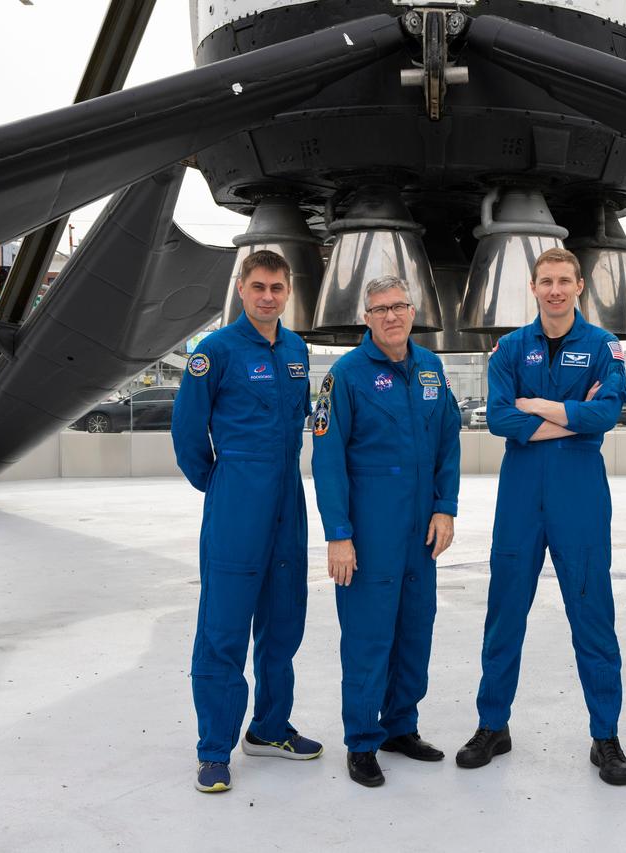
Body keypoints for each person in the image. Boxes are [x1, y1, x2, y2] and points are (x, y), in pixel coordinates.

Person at [456, 247, 626, 786]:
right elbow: (499, 418)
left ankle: (605, 735)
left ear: (579, 286)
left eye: (564, 280)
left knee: (592, 610)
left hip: (579, 490)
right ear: (533, 288)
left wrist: (537, 406)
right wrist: (575, 418)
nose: (555, 290)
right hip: (522, 491)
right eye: (546, 281)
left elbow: (608, 412)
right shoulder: (510, 347)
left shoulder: (602, 345)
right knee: (505, 610)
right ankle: (493, 725)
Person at [171, 249, 323, 793]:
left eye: (276, 288)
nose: (267, 297)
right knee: (225, 626)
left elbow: (303, 416)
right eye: (258, 286)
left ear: (288, 291)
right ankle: (214, 749)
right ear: (241, 288)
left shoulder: (297, 349)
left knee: (284, 621)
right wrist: (221, 484)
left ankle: (269, 728)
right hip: (238, 499)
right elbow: (188, 432)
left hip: (287, 498)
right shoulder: (214, 351)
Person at [311, 275, 461, 788]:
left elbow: (448, 441)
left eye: (399, 306)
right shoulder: (345, 376)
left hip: (422, 531)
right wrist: (338, 534)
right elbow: (327, 459)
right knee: (368, 637)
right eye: (380, 309)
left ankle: (401, 726)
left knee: (415, 631)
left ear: (412, 312)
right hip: (370, 533)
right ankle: (361, 742)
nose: (391, 316)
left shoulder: (431, 368)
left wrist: (445, 507)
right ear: (366, 318)